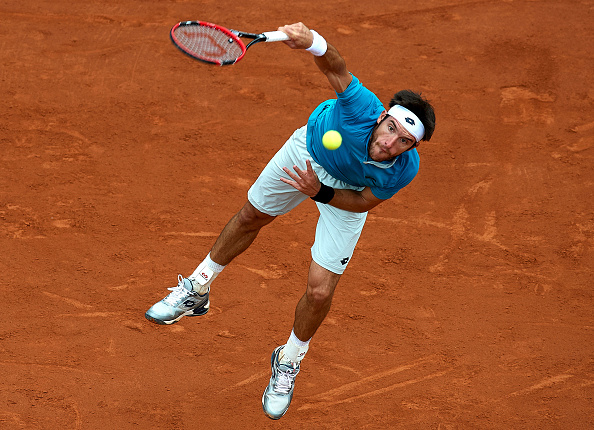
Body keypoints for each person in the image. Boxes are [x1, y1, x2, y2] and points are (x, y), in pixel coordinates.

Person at [145, 22, 436, 420]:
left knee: (320, 293)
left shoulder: (404, 169)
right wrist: (312, 41)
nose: (391, 143)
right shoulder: (360, 107)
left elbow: (363, 202)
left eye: (404, 141)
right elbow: (335, 66)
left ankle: (289, 359)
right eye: (391, 129)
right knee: (251, 216)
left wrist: (320, 192)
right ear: (382, 116)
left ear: (412, 147)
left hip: (342, 193)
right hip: (308, 153)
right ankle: (197, 289)